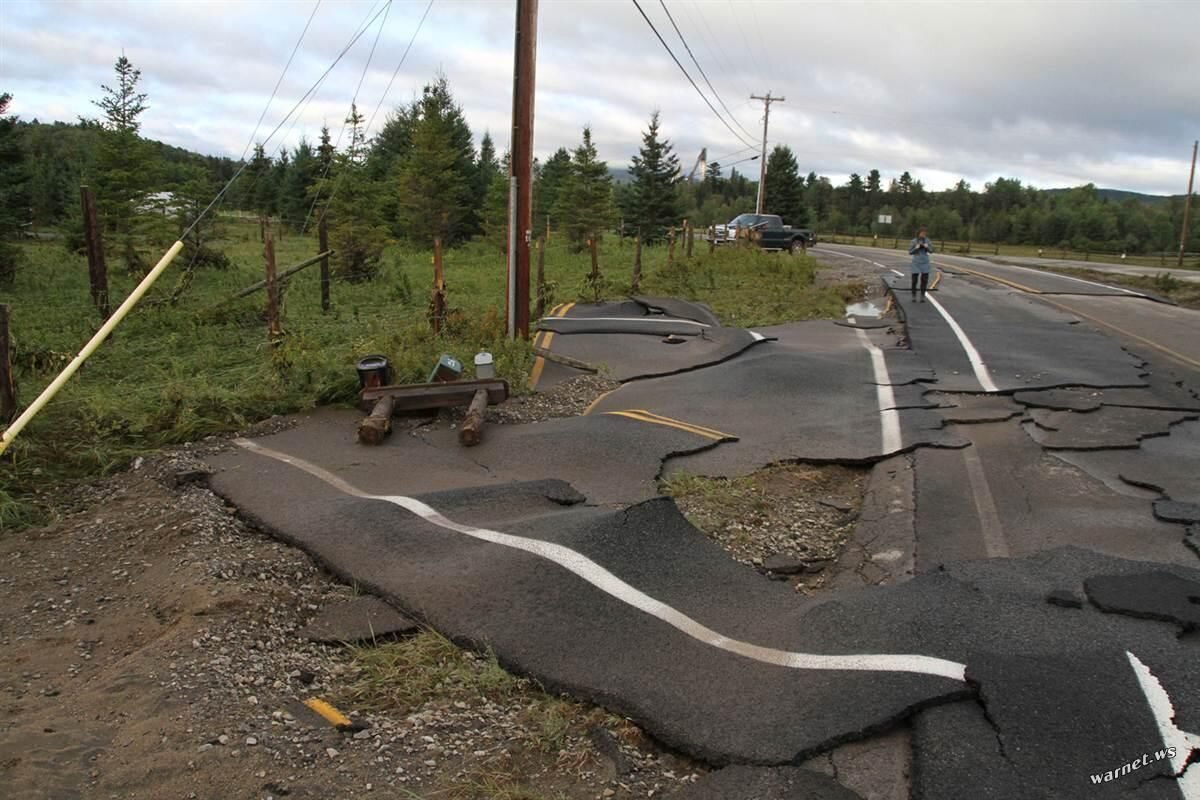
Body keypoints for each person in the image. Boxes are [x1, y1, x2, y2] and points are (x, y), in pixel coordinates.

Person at [908, 227, 934, 301]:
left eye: (924, 233)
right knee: (914, 280)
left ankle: (922, 295)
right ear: (918, 233)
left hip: (925, 262)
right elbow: (910, 252)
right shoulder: (913, 241)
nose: (923, 235)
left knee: (924, 280)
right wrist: (916, 248)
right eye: (922, 233)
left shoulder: (928, 241)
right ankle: (913, 295)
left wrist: (927, 247)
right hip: (916, 262)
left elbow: (931, 251)